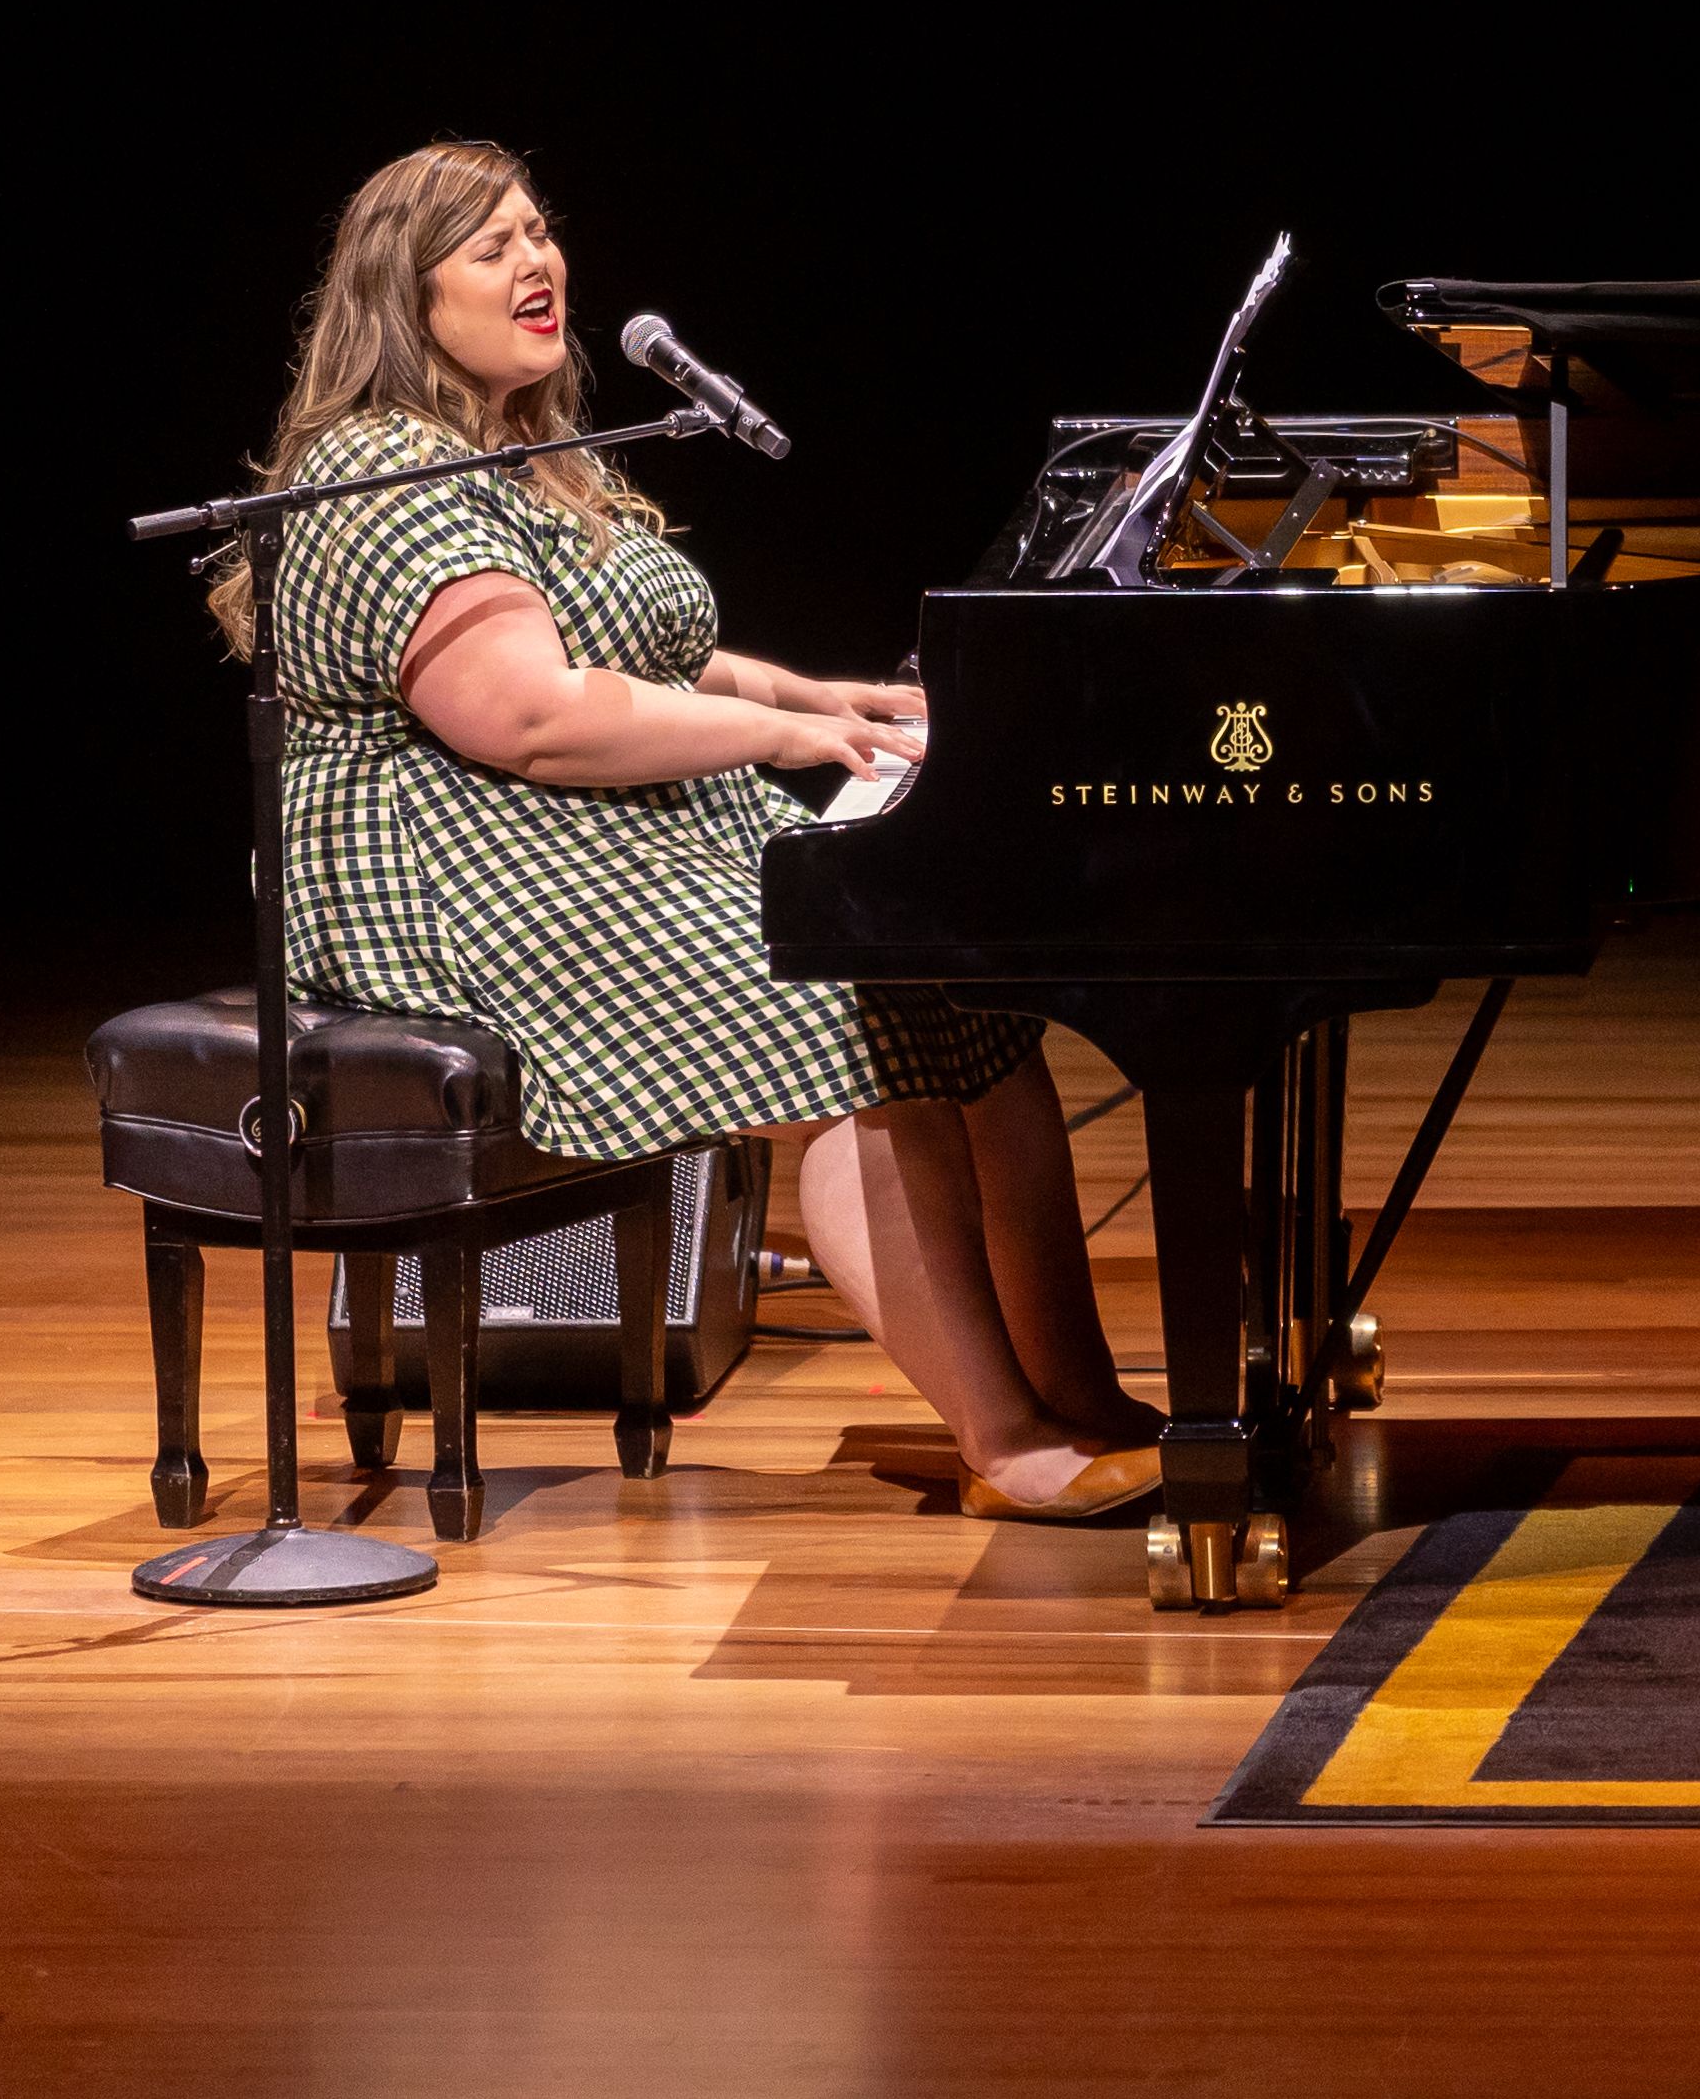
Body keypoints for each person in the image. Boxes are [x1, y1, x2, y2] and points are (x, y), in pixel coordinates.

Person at [207, 139, 1158, 1522]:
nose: (538, 262)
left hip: (593, 835)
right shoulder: (384, 471)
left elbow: (653, 649)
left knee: (978, 1014)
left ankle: (1090, 1398)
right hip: (451, 874)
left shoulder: (524, 453)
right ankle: (1003, 1436)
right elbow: (529, 716)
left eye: (540, 231)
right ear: (404, 300)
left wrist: (811, 693)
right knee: (849, 1017)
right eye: (491, 246)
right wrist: (787, 741)